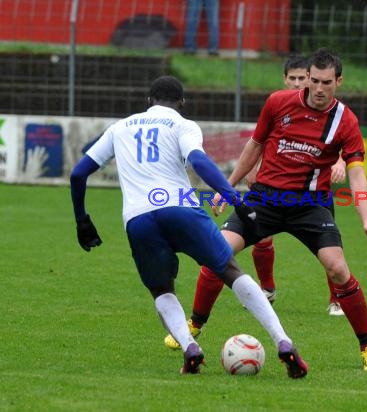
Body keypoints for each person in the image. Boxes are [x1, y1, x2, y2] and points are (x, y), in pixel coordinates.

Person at [69, 75, 308, 378]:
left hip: (139, 218)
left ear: (148, 101)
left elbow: (78, 173)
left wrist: (82, 219)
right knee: (230, 270)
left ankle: (189, 347)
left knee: (161, 289)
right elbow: (199, 161)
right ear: (181, 103)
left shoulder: (120, 128)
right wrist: (235, 199)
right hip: (182, 208)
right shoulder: (183, 125)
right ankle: (284, 342)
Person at [185, 48, 367, 371]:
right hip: (264, 199)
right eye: (314, 81)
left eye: (327, 83)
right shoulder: (279, 103)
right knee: (217, 253)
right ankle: (194, 325)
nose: (319, 89)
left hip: (309, 205)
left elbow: (357, 171)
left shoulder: (345, 120)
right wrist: (228, 186)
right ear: (306, 78)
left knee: (337, 268)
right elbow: (255, 146)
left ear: (339, 81)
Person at [244, 54, 347, 316]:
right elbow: (262, 141)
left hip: (313, 193)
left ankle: (337, 298)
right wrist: (255, 169)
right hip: (272, 186)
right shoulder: (279, 104)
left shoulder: (330, 109)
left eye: (303, 78)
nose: (299, 83)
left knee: (327, 246)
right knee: (260, 236)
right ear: (285, 80)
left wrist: (340, 163)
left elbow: (338, 143)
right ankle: (267, 288)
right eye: (294, 78)